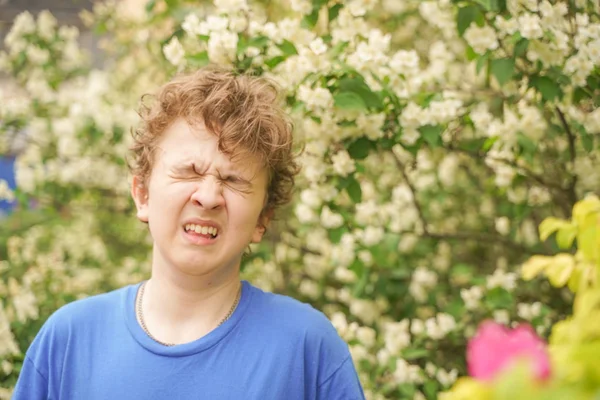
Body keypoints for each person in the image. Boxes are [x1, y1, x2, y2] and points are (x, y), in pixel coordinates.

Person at [13, 67, 366, 399]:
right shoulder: (69, 340)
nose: (209, 197)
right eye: (189, 172)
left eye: (233, 180)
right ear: (142, 194)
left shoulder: (307, 350)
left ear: (263, 219)